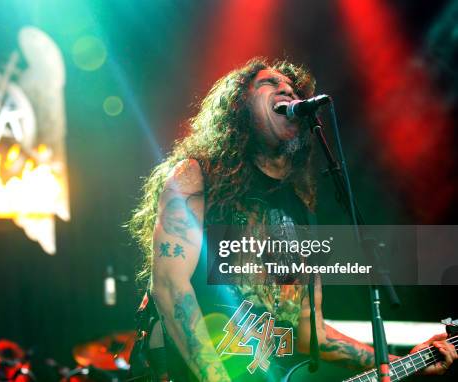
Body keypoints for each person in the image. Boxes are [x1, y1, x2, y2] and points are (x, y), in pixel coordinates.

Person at [128, 58, 457, 381]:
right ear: (238, 106)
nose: (288, 92)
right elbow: (170, 288)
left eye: (293, 89)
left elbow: (311, 333)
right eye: (270, 84)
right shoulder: (196, 176)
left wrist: (401, 362)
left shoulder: (300, 212)